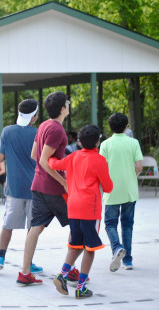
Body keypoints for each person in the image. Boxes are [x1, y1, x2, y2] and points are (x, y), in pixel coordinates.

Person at [49, 124, 113, 299]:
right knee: (89, 248)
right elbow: (108, 187)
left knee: (75, 244)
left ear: (79, 142)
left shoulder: (74, 156)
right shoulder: (99, 160)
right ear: (98, 142)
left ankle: (62, 275)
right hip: (90, 209)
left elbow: (54, 163)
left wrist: (46, 153)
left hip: (73, 207)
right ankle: (81, 287)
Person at [17, 91, 70, 286]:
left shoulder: (43, 125)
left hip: (38, 185)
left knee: (36, 227)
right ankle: (69, 269)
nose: (69, 105)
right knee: (77, 222)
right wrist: (63, 182)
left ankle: (25, 272)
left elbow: (34, 155)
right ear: (62, 109)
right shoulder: (57, 130)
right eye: (67, 103)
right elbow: (42, 160)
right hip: (53, 188)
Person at [0, 99, 42, 274]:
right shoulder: (38, 133)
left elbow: (0, 158)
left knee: (7, 224)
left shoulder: (7, 132)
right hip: (35, 187)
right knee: (32, 228)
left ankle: (0, 257)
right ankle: (29, 262)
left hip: (14, 187)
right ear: (34, 116)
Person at [100, 113, 143, 271]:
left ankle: (117, 248)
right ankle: (128, 261)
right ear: (126, 127)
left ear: (110, 127)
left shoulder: (105, 144)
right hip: (129, 190)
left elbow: (101, 167)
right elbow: (139, 167)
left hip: (111, 189)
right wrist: (133, 177)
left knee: (110, 224)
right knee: (127, 225)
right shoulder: (134, 143)